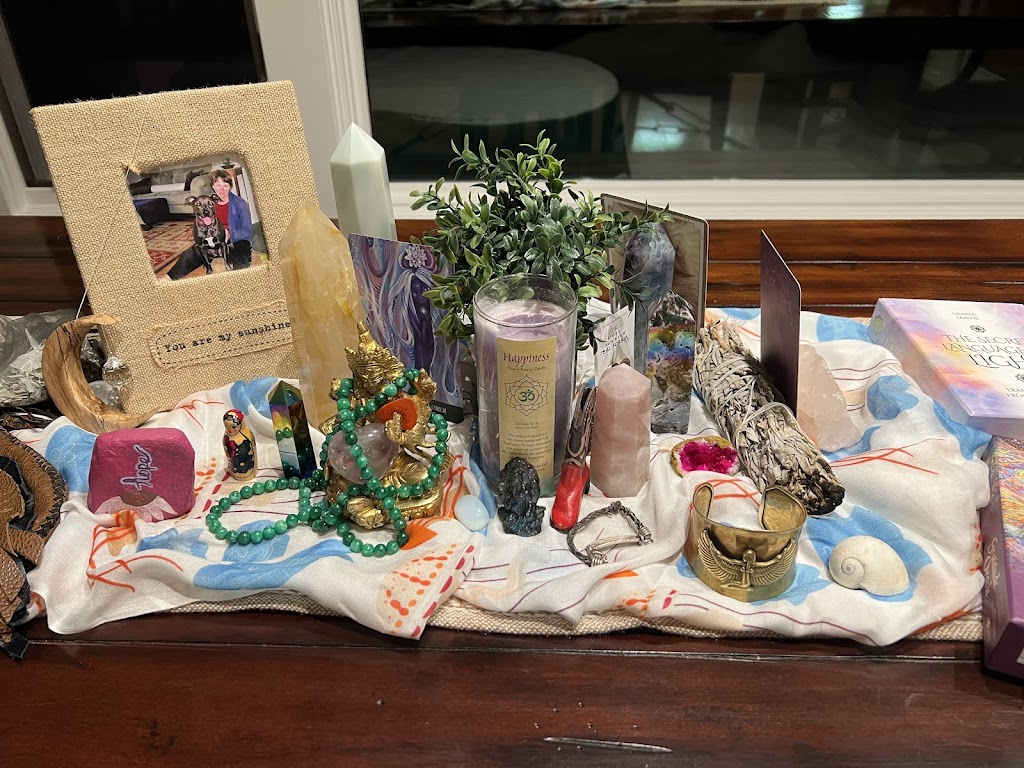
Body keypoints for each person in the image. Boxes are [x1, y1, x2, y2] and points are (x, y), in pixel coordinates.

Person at [210, 170, 253, 271]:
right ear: (212, 186)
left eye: (225, 186)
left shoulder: (240, 204)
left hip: (237, 239)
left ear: (230, 187)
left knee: (240, 261)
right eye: (218, 185)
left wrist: (230, 234)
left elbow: (247, 231)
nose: (221, 189)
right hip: (216, 240)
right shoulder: (208, 204)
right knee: (190, 256)